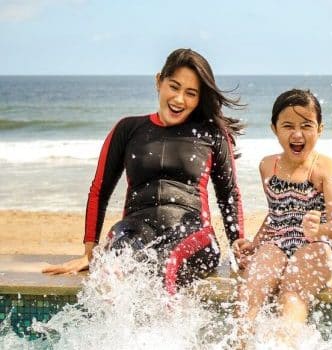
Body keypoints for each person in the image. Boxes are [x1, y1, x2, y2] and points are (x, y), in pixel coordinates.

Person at [42, 48, 245, 295]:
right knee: (113, 267)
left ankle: (167, 334)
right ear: (159, 81)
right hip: (134, 228)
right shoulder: (128, 129)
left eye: (190, 94)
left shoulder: (211, 134)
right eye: (174, 86)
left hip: (193, 233)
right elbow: (100, 190)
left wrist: (237, 246)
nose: (179, 99)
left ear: (199, 99)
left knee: (165, 266)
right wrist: (89, 251)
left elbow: (229, 195)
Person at [232, 89, 332, 335]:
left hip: (317, 245)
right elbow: (276, 214)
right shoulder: (267, 166)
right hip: (277, 243)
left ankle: (286, 341)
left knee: (292, 291)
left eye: (306, 125)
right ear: (274, 128)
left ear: (320, 128)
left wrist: (320, 229)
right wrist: (255, 243)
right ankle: (240, 342)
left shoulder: (325, 167)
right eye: (287, 126)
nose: (297, 134)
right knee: (250, 288)